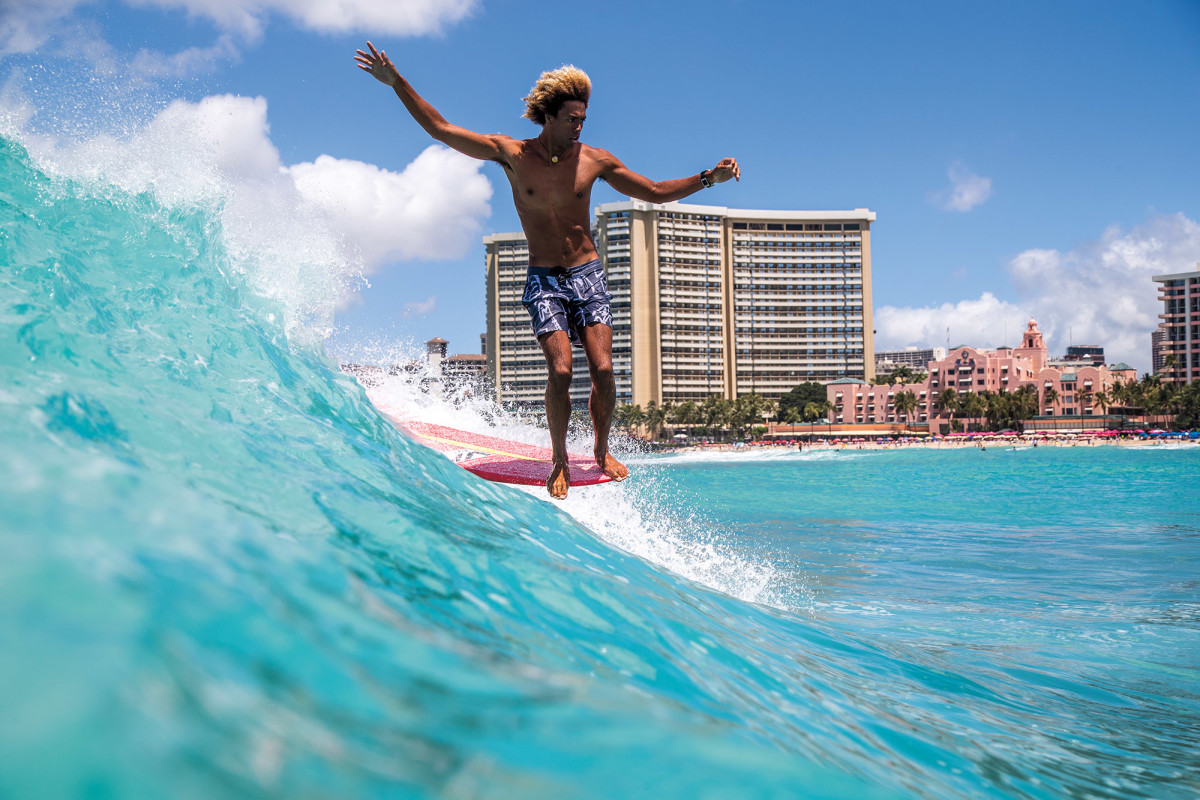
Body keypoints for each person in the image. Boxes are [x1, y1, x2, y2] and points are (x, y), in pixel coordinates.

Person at [355, 42, 740, 499]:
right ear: (549, 117)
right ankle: (558, 460)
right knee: (560, 371)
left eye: (583, 119)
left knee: (603, 368)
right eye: (572, 119)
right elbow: (440, 128)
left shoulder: (595, 160)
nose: (579, 126)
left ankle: (599, 451)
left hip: (587, 273)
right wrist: (397, 83)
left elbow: (654, 191)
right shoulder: (511, 154)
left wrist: (705, 179)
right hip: (544, 279)